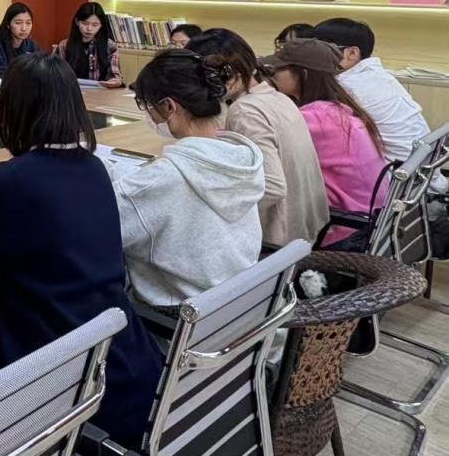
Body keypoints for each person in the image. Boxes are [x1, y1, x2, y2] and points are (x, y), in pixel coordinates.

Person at [0, 53, 162, 448]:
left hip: (54, 380)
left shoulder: (9, 180)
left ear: (13, 110)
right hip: (122, 365)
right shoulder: (95, 169)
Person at [114, 49, 266, 308]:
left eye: (148, 107)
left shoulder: (165, 178)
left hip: (179, 313)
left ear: (169, 106)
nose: (149, 115)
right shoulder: (241, 160)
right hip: (237, 304)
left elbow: (100, 227)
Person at [187, 29, 329, 248]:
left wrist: (216, 209)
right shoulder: (278, 97)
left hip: (277, 242)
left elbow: (272, 187)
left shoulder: (245, 111)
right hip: (307, 231)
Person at [262, 38, 389, 247]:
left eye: (277, 70)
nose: (271, 76)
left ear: (303, 74)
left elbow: (256, 140)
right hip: (373, 223)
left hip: (345, 230)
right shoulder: (340, 109)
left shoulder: (313, 119)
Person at [308, 18, 429, 162]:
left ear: (352, 53)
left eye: (320, 49)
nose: (312, 56)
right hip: (419, 166)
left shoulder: (347, 85)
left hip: (393, 169)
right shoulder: (377, 74)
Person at [52, 1, 123, 87]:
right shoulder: (64, 45)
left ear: (101, 25)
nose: (89, 28)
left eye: (95, 25)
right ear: (77, 22)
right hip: (71, 91)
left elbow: (115, 74)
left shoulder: (110, 46)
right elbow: (56, 74)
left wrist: (114, 81)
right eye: (85, 23)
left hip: (100, 92)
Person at [0, 2, 39, 78]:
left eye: (28, 23)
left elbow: (38, 72)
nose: (24, 28)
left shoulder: (32, 46)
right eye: (18, 23)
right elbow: (0, 75)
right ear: (8, 24)